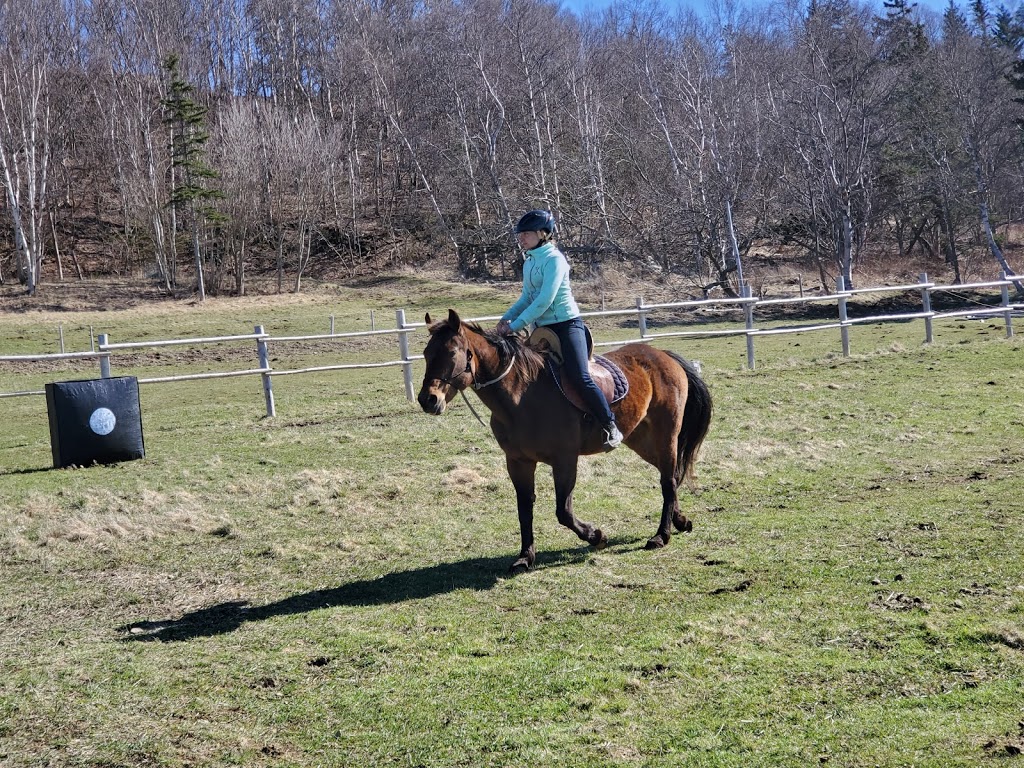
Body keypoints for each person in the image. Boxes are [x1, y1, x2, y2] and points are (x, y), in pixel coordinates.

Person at [496, 209, 623, 451]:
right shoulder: (530, 261)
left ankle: (610, 425)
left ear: (543, 234)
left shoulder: (555, 260)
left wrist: (515, 326)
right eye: (519, 234)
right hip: (542, 329)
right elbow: (526, 298)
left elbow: (544, 300)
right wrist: (505, 319)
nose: (521, 238)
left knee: (579, 376)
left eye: (526, 234)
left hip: (567, 326)